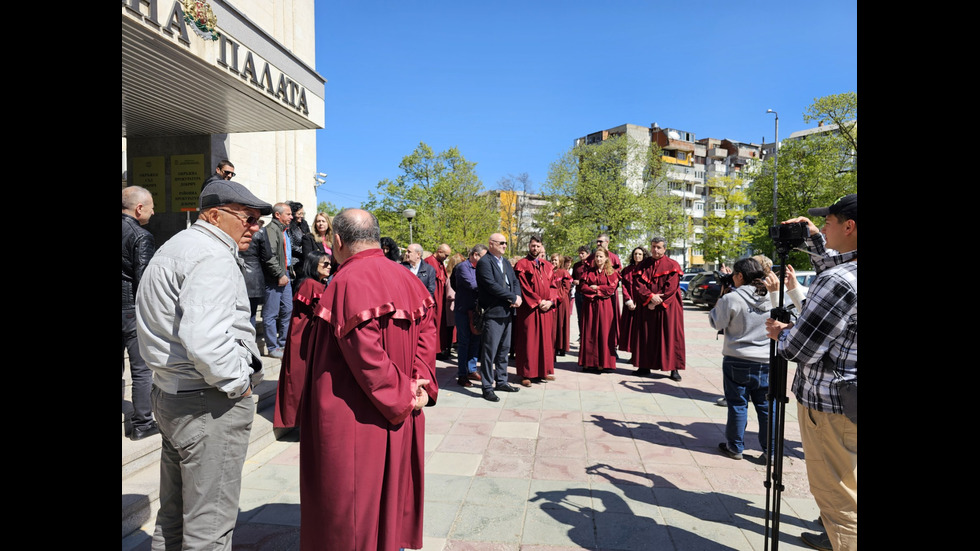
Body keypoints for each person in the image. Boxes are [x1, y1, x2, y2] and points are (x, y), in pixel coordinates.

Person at [135, 179, 271, 550]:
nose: (255, 227)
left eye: (258, 220)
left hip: (173, 394)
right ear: (214, 215)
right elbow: (206, 341)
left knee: (174, 517)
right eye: (249, 217)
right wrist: (238, 383)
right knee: (209, 528)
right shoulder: (211, 256)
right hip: (206, 402)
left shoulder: (176, 247)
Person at [292, 208, 438, 551]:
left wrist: (400, 393)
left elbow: (366, 352)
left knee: (353, 510)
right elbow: (428, 334)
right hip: (402, 407)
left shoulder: (346, 280)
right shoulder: (408, 277)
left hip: (355, 413)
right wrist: (420, 383)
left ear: (338, 241)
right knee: (389, 498)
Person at [765, 194, 857, 551]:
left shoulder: (837, 281)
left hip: (829, 405)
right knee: (850, 485)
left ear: (850, 227)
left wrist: (780, 332)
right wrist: (814, 237)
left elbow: (798, 349)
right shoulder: (844, 271)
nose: (826, 228)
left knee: (837, 498)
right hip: (850, 398)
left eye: (830, 223)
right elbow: (836, 265)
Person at [709, 257, 772, 460]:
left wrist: (720, 299)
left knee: (737, 404)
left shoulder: (732, 298)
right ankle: (770, 451)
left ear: (740, 276)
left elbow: (717, 322)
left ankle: (735, 447)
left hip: (737, 358)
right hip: (765, 360)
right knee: (765, 407)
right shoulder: (772, 296)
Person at [273, 250, 330, 432]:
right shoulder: (311, 284)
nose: (329, 267)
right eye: (325, 264)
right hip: (304, 340)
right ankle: (301, 422)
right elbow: (322, 311)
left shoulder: (316, 284)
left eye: (329, 264)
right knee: (300, 379)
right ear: (314, 265)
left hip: (310, 338)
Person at [122, 185, 158, 441]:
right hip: (130, 310)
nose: (154, 212)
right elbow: (143, 279)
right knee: (142, 369)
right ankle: (143, 423)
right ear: (139, 208)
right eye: (152, 207)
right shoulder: (140, 235)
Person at [476, 233, 523, 402]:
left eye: (505, 243)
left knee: (504, 350)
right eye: (501, 243)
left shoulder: (504, 262)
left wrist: (517, 297)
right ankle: (487, 386)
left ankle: (501, 381)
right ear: (491, 244)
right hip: (493, 312)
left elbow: (515, 281)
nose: (505, 245)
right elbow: (491, 285)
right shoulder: (484, 262)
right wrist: (511, 297)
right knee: (490, 351)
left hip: (507, 312)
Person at [631, 236, 686, 381]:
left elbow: (671, 288)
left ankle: (674, 369)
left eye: (659, 247)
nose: (655, 249)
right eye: (653, 246)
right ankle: (644, 366)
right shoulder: (643, 265)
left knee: (670, 336)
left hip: (668, 308)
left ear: (664, 249)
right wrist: (649, 297)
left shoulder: (672, 265)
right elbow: (638, 285)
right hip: (647, 306)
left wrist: (655, 301)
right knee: (646, 335)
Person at [514, 236, 558, 386]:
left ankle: (543, 371)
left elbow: (553, 286)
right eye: (533, 246)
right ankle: (526, 373)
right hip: (530, 309)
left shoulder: (548, 266)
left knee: (545, 341)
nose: (535, 249)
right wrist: (539, 302)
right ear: (529, 246)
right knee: (529, 341)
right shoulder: (522, 264)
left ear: (541, 247)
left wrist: (550, 301)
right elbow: (523, 287)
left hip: (546, 309)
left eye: (538, 246)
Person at [259, 202, 294, 358]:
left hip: (285, 274)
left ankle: (284, 343)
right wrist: (280, 274)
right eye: (288, 214)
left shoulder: (284, 230)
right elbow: (270, 257)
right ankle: (273, 347)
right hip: (275, 277)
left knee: (287, 309)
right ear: (277, 215)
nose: (291, 217)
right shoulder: (272, 230)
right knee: (271, 313)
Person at [578, 247, 620, 373]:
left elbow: (611, 289)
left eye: (601, 256)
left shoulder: (612, 273)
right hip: (590, 305)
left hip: (605, 306)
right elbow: (582, 287)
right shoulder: (588, 271)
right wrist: (597, 291)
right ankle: (589, 363)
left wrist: (597, 288)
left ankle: (604, 363)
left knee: (604, 332)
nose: (598, 259)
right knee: (590, 331)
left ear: (606, 257)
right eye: (596, 256)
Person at [452, 244, 487, 387]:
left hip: (477, 311)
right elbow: (473, 285)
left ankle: (472, 369)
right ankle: (462, 374)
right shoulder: (462, 267)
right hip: (463, 310)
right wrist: (489, 286)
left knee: (475, 341)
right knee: (464, 342)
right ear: (475, 255)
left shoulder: (480, 268)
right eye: (484, 257)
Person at [620, 246, 651, 359]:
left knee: (641, 331)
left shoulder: (647, 269)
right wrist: (628, 300)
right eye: (635, 254)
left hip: (643, 304)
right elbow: (623, 286)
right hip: (630, 304)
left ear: (644, 256)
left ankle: (640, 355)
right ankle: (633, 354)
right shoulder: (627, 270)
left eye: (639, 254)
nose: (637, 256)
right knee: (630, 331)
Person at [425, 243, 453, 360]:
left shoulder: (440, 263)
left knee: (442, 324)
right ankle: (436, 351)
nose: (446, 258)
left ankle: (442, 348)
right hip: (435, 298)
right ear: (440, 251)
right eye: (445, 255)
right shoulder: (429, 261)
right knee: (435, 324)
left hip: (441, 298)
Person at [241, 219, 266, 337]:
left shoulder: (237, 233)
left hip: (240, 274)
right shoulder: (260, 234)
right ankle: (250, 343)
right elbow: (267, 255)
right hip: (254, 276)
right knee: (251, 313)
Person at [551, 253, 573, 360]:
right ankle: (552, 350)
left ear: (560, 261)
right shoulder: (549, 272)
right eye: (552, 260)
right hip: (551, 302)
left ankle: (561, 348)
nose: (553, 262)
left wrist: (557, 296)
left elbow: (566, 288)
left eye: (556, 260)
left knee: (560, 324)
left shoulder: (564, 272)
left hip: (561, 302)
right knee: (552, 326)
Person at [571, 245, 591, 339]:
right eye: (579, 253)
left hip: (588, 295)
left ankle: (589, 335)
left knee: (589, 316)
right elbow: (572, 277)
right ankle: (581, 335)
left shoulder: (591, 265)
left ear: (588, 254)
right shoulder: (576, 265)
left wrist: (582, 282)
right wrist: (574, 281)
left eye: (582, 253)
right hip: (578, 293)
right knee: (580, 316)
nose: (580, 255)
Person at [286, 201, 309, 278]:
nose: (301, 216)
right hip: (294, 261)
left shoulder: (304, 224)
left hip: (306, 259)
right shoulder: (289, 226)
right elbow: (290, 245)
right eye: (299, 214)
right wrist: (305, 251)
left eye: (303, 214)